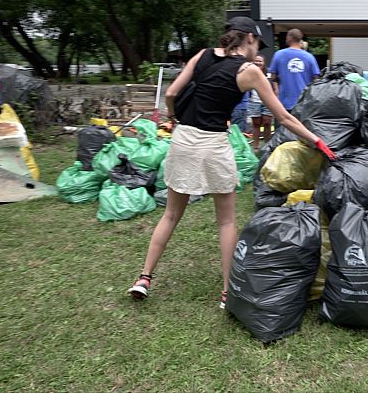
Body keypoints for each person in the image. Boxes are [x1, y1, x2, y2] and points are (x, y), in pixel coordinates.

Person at [128, 17, 336, 307]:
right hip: (214, 144)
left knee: (172, 215)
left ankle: (144, 278)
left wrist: (174, 118)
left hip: (184, 139)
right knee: (226, 221)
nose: (258, 51)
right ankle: (227, 292)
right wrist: (316, 141)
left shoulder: (201, 55)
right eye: (258, 44)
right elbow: (284, 117)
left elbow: (172, 93)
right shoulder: (249, 71)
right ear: (249, 38)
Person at [267, 28, 320, 111]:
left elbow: (271, 77)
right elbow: (316, 80)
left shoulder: (279, 55)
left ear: (289, 38)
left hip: (284, 103)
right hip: (304, 103)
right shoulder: (309, 57)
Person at [247, 53, 273, 151]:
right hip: (254, 101)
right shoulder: (249, 72)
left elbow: (274, 86)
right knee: (256, 124)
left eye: (260, 61)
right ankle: (256, 147)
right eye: (256, 61)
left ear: (264, 63)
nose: (258, 62)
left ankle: (267, 146)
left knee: (267, 123)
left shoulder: (269, 73)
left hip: (267, 101)